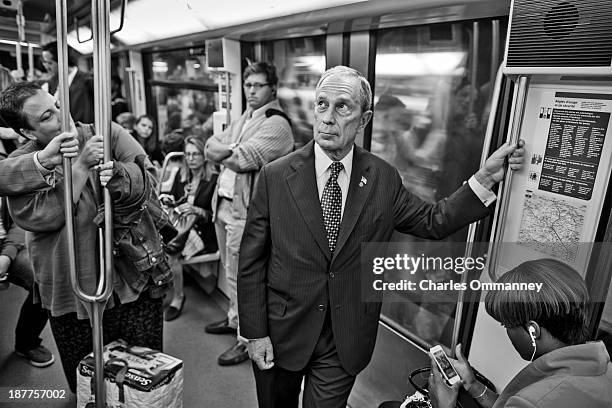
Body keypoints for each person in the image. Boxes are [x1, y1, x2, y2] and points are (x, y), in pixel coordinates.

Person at [237, 65, 524, 408]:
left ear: (364, 119)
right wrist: (254, 333)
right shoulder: (276, 177)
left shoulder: (382, 178)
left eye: (342, 107)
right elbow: (252, 262)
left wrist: (486, 178)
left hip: (343, 337)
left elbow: (435, 221)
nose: (327, 118)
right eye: (321, 104)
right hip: (282, 330)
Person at [0, 82, 170, 392]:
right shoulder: (24, 167)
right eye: (47, 116)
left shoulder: (105, 132)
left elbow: (148, 177)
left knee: (141, 377)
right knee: (88, 382)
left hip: (128, 273)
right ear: (27, 133)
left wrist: (118, 174)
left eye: (57, 104)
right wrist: (80, 167)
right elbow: (44, 216)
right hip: (70, 285)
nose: (62, 117)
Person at [428, 259, 612, 408]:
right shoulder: (602, 370)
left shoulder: (535, 400)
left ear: (533, 330)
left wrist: (443, 404)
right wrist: (473, 385)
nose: (507, 332)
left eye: (506, 325)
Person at [205, 61, 294, 366]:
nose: (252, 91)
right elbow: (210, 146)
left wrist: (224, 149)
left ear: (273, 88)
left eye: (258, 85)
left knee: (244, 278)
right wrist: (221, 148)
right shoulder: (245, 117)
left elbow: (239, 159)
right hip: (225, 205)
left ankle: (246, 340)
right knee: (229, 272)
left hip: (246, 213)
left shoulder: (277, 124)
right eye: (248, 85)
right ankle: (234, 320)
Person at [162, 136, 218, 321]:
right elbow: (173, 198)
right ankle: (161, 289)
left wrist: (197, 210)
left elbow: (214, 216)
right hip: (181, 224)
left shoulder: (213, 180)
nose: (191, 158)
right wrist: (172, 201)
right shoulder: (181, 176)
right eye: (187, 154)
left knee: (171, 251)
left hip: (202, 229)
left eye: (195, 154)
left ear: (205, 156)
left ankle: (178, 297)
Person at [0, 196, 54, 367]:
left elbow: (21, 219)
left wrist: (6, 255)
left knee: (44, 279)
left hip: (9, 245)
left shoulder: (6, 175)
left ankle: (26, 343)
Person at [41, 41, 94, 124]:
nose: (46, 66)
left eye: (50, 63)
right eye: (44, 62)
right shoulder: (52, 82)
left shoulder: (88, 80)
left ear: (63, 61)